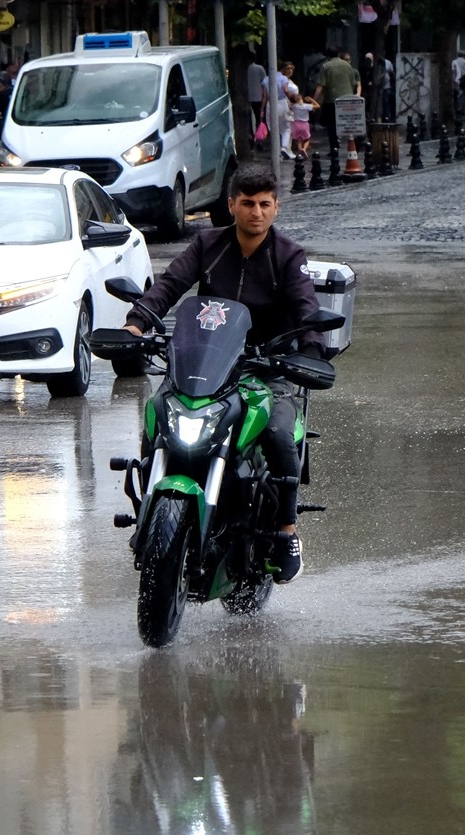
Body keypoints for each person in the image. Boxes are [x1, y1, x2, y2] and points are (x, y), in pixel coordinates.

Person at [121, 165, 320, 584]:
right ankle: (150, 512)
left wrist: (312, 353)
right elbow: (170, 285)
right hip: (204, 366)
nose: (256, 212)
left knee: (282, 432)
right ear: (231, 205)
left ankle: (286, 531)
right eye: (247, 203)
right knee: (158, 411)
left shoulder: (288, 255)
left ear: (276, 207)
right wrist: (136, 323)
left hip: (265, 369)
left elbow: (307, 311)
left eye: (265, 204)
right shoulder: (208, 244)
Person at [313, 47, 360, 157]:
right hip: (348, 99)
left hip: (332, 100)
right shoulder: (347, 65)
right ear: (338, 54)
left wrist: (314, 99)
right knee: (350, 124)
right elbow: (353, 82)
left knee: (332, 125)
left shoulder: (326, 67)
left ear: (327, 56)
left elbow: (320, 86)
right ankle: (353, 144)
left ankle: (334, 147)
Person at [262, 60, 297, 159]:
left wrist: (262, 109)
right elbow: (286, 90)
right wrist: (291, 99)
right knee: (286, 128)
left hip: (270, 104)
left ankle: (276, 152)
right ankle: (284, 147)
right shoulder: (283, 78)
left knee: (273, 129)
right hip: (282, 103)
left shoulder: (266, 79)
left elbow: (264, 96)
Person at [290, 91, 319, 159]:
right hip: (304, 124)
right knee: (307, 139)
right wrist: (311, 100)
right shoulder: (306, 106)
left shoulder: (294, 106)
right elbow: (318, 106)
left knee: (299, 139)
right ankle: (304, 149)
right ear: (300, 99)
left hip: (296, 124)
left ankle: (300, 150)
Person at [247, 54, 268, 147]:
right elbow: (264, 83)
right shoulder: (260, 68)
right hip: (258, 97)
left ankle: (251, 137)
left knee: (248, 120)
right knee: (259, 118)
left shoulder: (244, 69)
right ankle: (259, 139)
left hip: (247, 97)